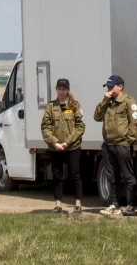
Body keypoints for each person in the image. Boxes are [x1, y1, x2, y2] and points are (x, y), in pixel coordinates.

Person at [94, 74, 137, 216]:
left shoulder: (128, 101)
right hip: (108, 144)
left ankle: (130, 205)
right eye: (108, 87)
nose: (109, 89)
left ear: (120, 87)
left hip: (122, 144)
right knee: (112, 176)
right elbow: (97, 117)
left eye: (111, 87)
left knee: (128, 176)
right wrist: (104, 101)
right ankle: (114, 205)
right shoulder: (108, 102)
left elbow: (135, 123)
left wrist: (127, 142)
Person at [41, 78, 86, 214]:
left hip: (72, 147)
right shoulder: (50, 106)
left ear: (68, 90)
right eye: (59, 89)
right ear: (56, 90)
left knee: (75, 174)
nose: (61, 92)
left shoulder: (74, 105)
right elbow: (45, 127)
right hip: (55, 148)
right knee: (57, 175)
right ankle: (58, 204)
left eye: (64, 89)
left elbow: (80, 126)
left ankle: (78, 204)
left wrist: (68, 142)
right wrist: (54, 142)